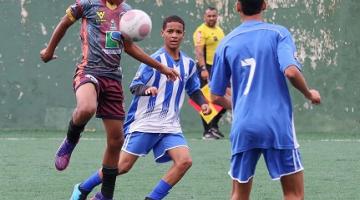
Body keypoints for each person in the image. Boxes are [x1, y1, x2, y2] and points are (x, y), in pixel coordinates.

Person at [40, 1, 179, 200]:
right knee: (87, 108)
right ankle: (71, 140)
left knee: (116, 140)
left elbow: (129, 47)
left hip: (113, 78)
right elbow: (64, 23)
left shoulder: (127, 12)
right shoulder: (87, 5)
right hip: (89, 71)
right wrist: (49, 50)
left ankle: (105, 195)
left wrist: (161, 67)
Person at [69, 15, 211, 200]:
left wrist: (203, 104)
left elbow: (193, 89)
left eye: (178, 32)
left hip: (170, 125)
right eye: (170, 31)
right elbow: (134, 86)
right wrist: (147, 89)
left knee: (184, 161)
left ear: (184, 35)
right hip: (145, 122)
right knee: (121, 167)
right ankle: (82, 188)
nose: (174, 35)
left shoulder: (189, 64)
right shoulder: (153, 61)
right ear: (162, 33)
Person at [210, 0, 321, 199]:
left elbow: (216, 95)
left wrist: (239, 107)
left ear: (237, 6)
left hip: (244, 125)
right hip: (276, 124)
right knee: (293, 194)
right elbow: (291, 72)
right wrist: (309, 93)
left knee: (238, 195)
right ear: (265, 5)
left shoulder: (225, 43)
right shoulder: (279, 33)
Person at [193, 6, 226, 140]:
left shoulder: (219, 30)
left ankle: (214, 126)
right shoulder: (201, 31)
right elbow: (199, 52)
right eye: (209, 16)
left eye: (214, 15)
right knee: (206, 99)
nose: (212, 18)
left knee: (222, 98)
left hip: (218, 68)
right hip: (207, 68)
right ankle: (207, 131)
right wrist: (203, 69)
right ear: (204, 17)